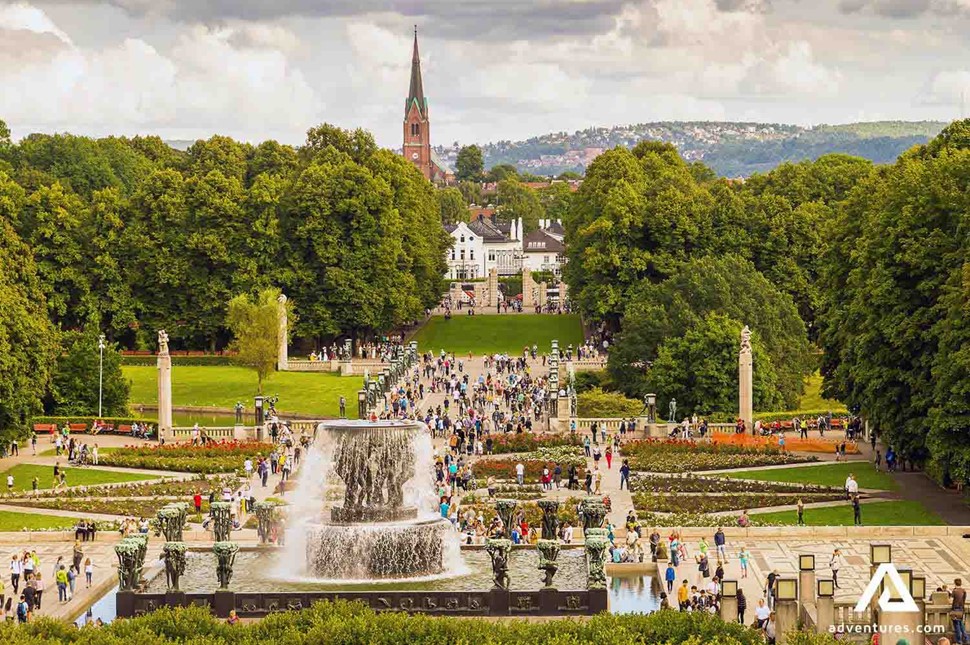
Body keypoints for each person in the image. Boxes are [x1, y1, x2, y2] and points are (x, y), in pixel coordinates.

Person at [951, 578, 967, 645]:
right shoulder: (964, 591)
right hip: (961, 609)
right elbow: (964, 600)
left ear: (955, 583)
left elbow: (950, 601)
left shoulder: (954, 591)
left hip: (955, 609)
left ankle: (959, 641)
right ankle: (966, 639)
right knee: (961, 624)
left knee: (956, 625)